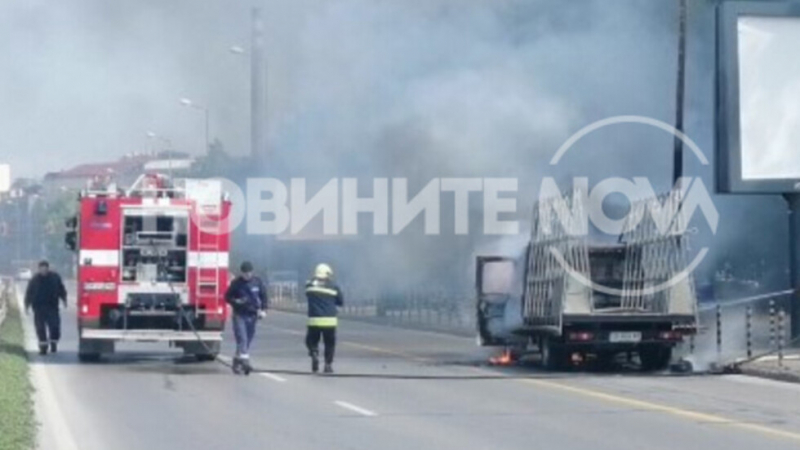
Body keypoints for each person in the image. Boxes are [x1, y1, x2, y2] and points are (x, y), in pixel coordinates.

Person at [224, 261, 268, 375]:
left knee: (247, 340)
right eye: (245, 273)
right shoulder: (236, 283)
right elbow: (227, 297)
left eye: (249, 273)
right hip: (240, 315)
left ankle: (237, 361)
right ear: (242, 273)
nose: (247, 275)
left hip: (252, 315)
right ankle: (245, 362)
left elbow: (264, 296)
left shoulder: (257, 282)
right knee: (242, 338)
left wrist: (263, 310)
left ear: (252, 272)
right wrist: (236, 301)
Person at [305, 263, 343, 374]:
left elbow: (307, 291)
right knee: (329, 344)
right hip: (330, 321)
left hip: (314, 321)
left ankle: (314, 353)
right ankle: (328, 365)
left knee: (311, 341)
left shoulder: (310, 286)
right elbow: (340, 301)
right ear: (327, 274)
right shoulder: (333, 286)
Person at [24, 261, 68, 355]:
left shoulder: (55, 278)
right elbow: (29, 293)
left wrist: (64, 300)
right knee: (40, 328)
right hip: (38, 308)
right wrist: (26, 305)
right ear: (39, 269)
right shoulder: (34, 280)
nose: (43, 270)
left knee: (54, 327)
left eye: (45, 268)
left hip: (52, 307)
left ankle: (53, 342)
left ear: (48, 268)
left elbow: (61, 289)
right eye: (41, 268)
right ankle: (43, 347)